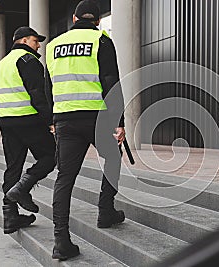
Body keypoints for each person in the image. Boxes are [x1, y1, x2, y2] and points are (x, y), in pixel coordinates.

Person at [45, 0, 126, 260]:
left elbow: (48, 87)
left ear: (74, 18)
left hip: (65, 119)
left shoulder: (53, 45)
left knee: (65, 178)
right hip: (96, 117)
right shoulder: (102, 41)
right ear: (98, 20)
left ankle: (61, 241)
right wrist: (119, 121)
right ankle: (105, 210)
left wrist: (52, 120)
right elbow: (111, 83)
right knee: (113, 158)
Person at [0, 26, 56, 234]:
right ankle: (23, 189)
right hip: (28, 120)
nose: (38, 45)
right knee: (51, 156)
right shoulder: (28, 61)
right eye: (35, 40)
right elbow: (38, 94)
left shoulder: (1, 64)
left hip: (6, 122)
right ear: (23, 40)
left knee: (13, 167)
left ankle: (10, 216)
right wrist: (50, 121)